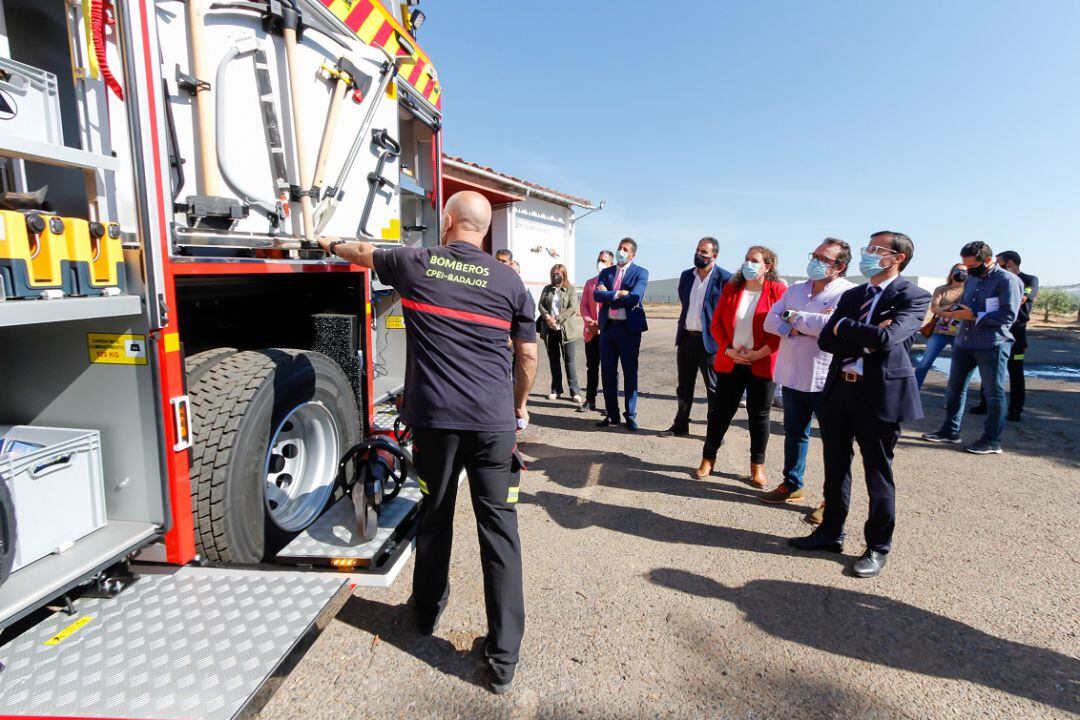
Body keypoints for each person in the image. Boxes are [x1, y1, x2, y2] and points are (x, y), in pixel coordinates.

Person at [317, 191, 538, 694]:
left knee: (435, 517)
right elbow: (526, 356)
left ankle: (425, 612)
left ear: (448, 221)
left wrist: (325, 240)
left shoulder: (418, 262)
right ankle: (502, 661)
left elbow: (360, 253)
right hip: (493, 427)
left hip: (436, 426)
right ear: (484, 230)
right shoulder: (509, 279)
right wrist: (518, 405)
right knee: (500, 534)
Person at [789, 231, 930, 578]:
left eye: (874, 249)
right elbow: (826, 338)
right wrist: (861, 335)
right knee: (836, 467)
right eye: (867, 248)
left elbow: (888, 339)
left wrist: (846, 330)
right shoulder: (854, 294)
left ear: (896, 257)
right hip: (840, 391)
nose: (867, 254)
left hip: (879, 397)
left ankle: (878, 546)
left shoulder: (914, 296)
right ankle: (829, 533)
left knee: (877, 473)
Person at [760, 239, 856, 514]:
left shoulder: (848, 293)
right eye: (814, 255)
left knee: (834, 441)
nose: (815, 261)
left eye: (822, 258)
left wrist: (792, 318)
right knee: (795, 433)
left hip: (824, 378)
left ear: (839, 266)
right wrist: (798, 327)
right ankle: (792, 484)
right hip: (792, 376)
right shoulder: (796, 289)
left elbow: (832, 327)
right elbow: (770, 320)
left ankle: (831, 500)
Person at [921, 242, 1023, 454]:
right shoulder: (973, 278)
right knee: (955, 388)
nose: (968, 271)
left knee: (993, 393)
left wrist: (974, 316)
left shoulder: (1008, 280)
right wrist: (956, 310)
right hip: (964, 342)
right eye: (966, 266)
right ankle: (950, 431)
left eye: (972, 266)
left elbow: (1007, 316)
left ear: (988, 260)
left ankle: (991, 441)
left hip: (993, 344)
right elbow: (968, 305)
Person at [696, 246, 785, 483]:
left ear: (768, 266)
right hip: (732, 359)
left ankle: (757, 465)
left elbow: (780, 329)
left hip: (762, 362)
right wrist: (727, 349)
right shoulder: (733, 288)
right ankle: (708, 458)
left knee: (759, 415)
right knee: (721, 412)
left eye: (754, 261)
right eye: (746, 260)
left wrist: (760, 353)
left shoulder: (777, 290)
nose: (748, 264)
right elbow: (716, 325)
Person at [659, 237, 731, 438]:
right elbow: (685, 301)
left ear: (714, 256)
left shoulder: (725, 278)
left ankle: (715, 430)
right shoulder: (686, 276)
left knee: (714, 389)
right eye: (698, 250)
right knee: (684, 386)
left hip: (710, 343)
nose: (699, 254)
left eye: (704, 252)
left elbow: (729, 311)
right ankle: (680, 424)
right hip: (687, 339)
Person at [969, 251, 1038, 421]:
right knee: (988, 367)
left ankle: (1015, 410)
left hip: (1017, 331)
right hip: (995, 327)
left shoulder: (1029, 280)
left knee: (1015, 370)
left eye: (999, 262)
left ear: (1009, 263)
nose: (994, 265)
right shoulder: (992, 280)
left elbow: (1021, 299)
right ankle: (985, 404)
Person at [594, 238, 649, 431]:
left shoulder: (641, 272)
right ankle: (612, 414)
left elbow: (635, 297)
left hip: (629, 330)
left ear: (633, 253)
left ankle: (630, 415)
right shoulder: (606, 272)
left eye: (625, 249)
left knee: (630, 373)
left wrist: (609, 295)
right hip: (608, 329)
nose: (621, 251)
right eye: (619, 248)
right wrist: (618, 294)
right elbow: (597, 295)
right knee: (608, 373)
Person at [914, 264, 968, 388]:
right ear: (952, 272)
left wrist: (949, 311)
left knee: (958, 369)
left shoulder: (968, 291)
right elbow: (934, 307)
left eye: (964, 271)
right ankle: (912, 393)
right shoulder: (941, 290)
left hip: (960, 334)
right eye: (958, 270)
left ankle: (952, 401)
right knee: (924, 363)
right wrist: (952, 311)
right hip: (940, 332)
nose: (960, 273)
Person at [537, 263, 583, 404]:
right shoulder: (547, 289)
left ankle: (574, 391)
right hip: (550, 330)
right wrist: (548, 318)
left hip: (566, 330)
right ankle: (556, 389)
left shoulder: (570, 289)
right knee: (554, 360)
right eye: (554, 273)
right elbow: (541, 305)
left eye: (559, 273)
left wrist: (557, 318)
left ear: (564, 274)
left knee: (569, 361)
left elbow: (573, 307)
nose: (556, 276)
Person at [578, 251, 614, 413]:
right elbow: (583, 305)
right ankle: (590, 400)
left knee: (609, 369)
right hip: (591, 332)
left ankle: (610, 403)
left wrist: (601, 323)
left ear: (611, 264)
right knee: (592, 367)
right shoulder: (590, 283)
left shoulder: (614, 284)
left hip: (608, 332)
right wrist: (589, 322)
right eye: (599, 260)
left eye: (604, 261)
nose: (600, 263)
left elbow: (616, 306)